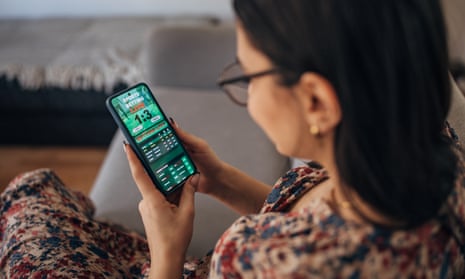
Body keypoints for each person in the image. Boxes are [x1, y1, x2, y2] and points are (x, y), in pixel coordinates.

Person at [1, 0, 464, 278]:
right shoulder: (438, 151)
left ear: (317, 101)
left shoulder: (258, 258)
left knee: (32, 194)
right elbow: (306, 219)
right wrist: (220, 179)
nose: (243, 90)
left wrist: (166, 254)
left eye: (248, 74)